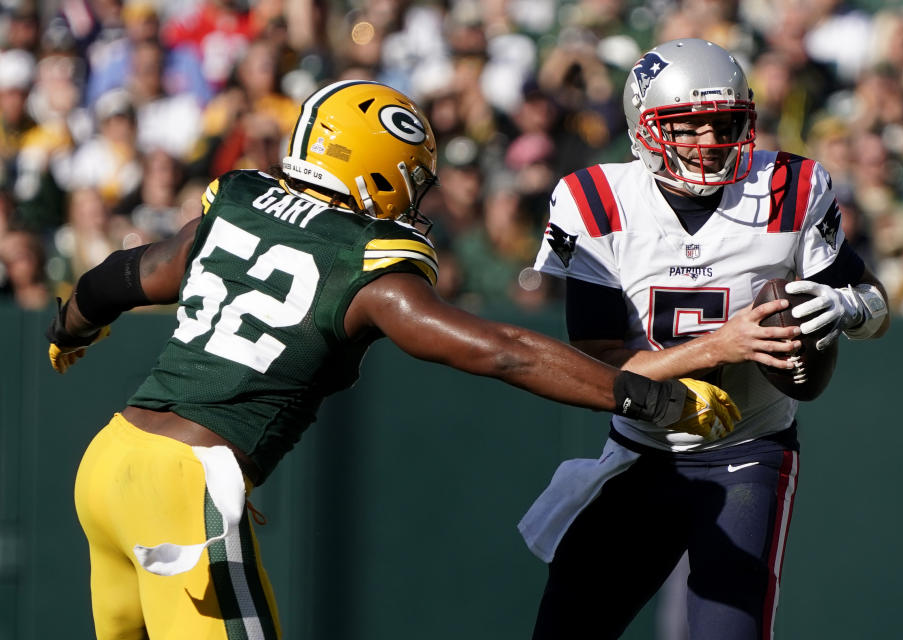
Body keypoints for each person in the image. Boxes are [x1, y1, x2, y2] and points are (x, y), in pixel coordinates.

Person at [45, 80, 755, 640]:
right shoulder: (372, 266)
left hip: (107, 464)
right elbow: (504, 352)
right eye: (413, 176)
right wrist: (649, 396)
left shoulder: (237, 202)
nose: (418, 195)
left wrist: (71, 325)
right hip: (183, 484)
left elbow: (124, 273)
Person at [518, 39, 890, 640]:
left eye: (724, 124)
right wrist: (722, 345)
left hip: (750, 452)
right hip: (642, 450)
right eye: (688, 127)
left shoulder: (789, 186)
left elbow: (877, 306)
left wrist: (848, 305)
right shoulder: (595, 202)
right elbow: (596, 358)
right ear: (644, 127)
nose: (710, 143)